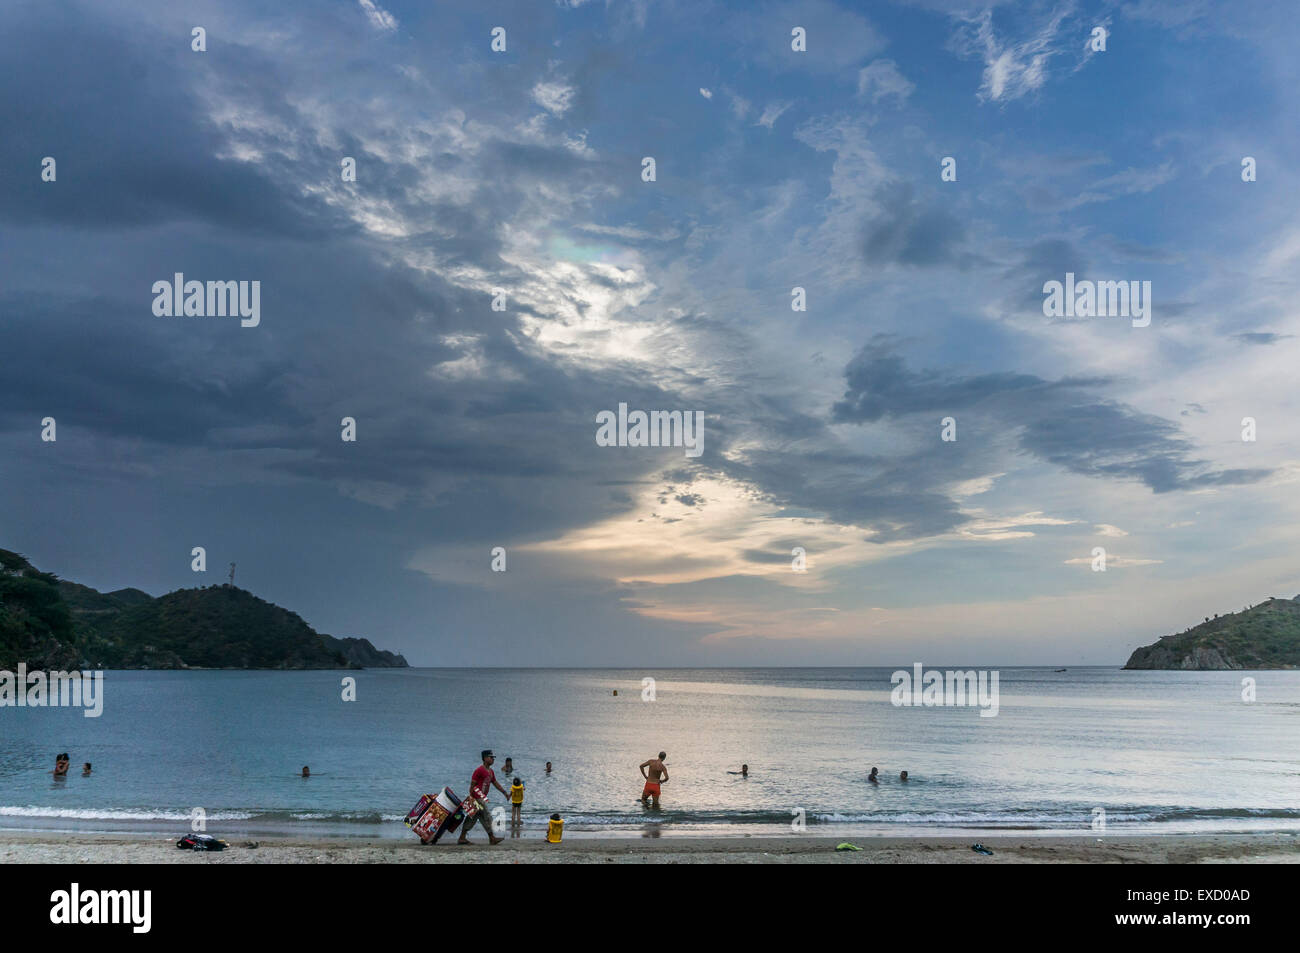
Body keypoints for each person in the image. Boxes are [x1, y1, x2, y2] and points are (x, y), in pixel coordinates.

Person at [458, 750, 508, 845]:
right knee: (487, 816)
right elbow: (472, 785)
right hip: (477, 798)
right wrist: (472, 800)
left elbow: (495, 783)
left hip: (480, 798)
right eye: (491, 757)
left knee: (472, 818)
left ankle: (462, 838)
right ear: (485, 758)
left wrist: (504, 792)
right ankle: (492, 838)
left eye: (493, 758)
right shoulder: (479, 770)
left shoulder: (491, 771)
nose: (493, 759)